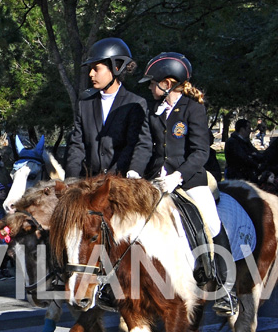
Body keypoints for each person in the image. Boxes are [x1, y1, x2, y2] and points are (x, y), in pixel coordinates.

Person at [140, 51, 235, 316]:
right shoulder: (154, 111)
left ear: (167, 83)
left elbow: (201, 152)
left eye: (152, 83)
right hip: (157, 181)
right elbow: (147, 147)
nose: (149, 87)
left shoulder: (193, 108)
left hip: (189, 179)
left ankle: (227, 288)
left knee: (211, 221)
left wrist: (177, 176)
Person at [65, 38, 152, 178]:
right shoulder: (84, 104)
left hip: (120, 181)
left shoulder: (135, 104)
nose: (91, 74)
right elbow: (77, 147)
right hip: (89, 181)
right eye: (90, 69)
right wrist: (71, 180)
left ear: (116, 68)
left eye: (96, 69)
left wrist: (110, 178)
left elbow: (134, 145)